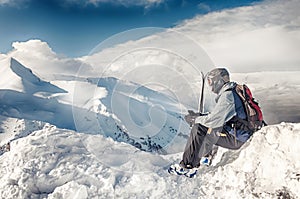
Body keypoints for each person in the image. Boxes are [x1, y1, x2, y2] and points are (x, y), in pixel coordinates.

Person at [169, 68, 262, 178]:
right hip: (241, 133)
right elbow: (219, 116)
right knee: (208, 127)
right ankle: (205, 158)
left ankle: (187, 167)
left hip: (237, 139)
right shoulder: (232, 92)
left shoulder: (228, 96)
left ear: (219, 81)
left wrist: (195, 120)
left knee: (199, 128)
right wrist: (200, 116)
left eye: (211, 81)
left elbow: (213, 121)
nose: (210, 85)